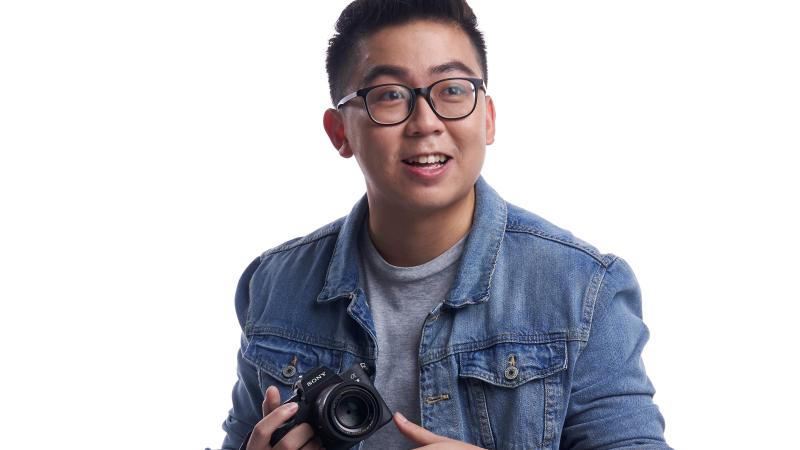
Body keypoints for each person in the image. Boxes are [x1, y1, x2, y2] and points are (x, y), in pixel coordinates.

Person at [218, 1, 671, 449]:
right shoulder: (275, 285)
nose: (426, 123)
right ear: (340, 132)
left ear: (487, 118)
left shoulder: (582, 289)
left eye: (452, 90)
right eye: (390, 95)